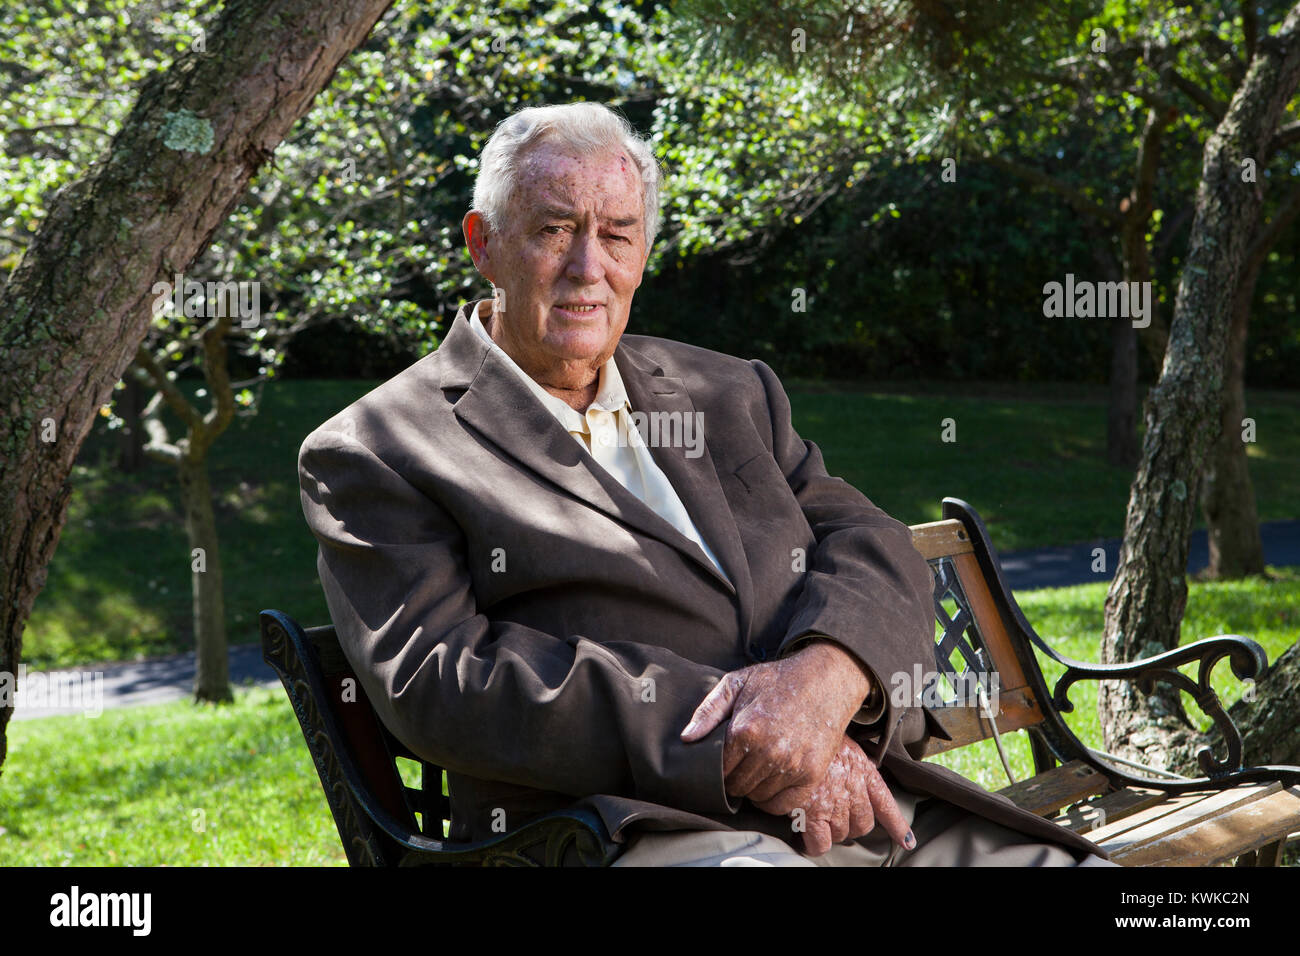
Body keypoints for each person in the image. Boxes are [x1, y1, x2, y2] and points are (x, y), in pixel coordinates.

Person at [297, 102, 1112, 866]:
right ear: (482, 242)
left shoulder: (729, 391)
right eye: (554, 229)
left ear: (643, 251)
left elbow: (873, 543)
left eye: (617, 234)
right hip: (623, 828)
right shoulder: (378, 448)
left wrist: (826, 681)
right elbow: (447, 681)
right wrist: (748, 734)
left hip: (862, 795)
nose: (589, 267)